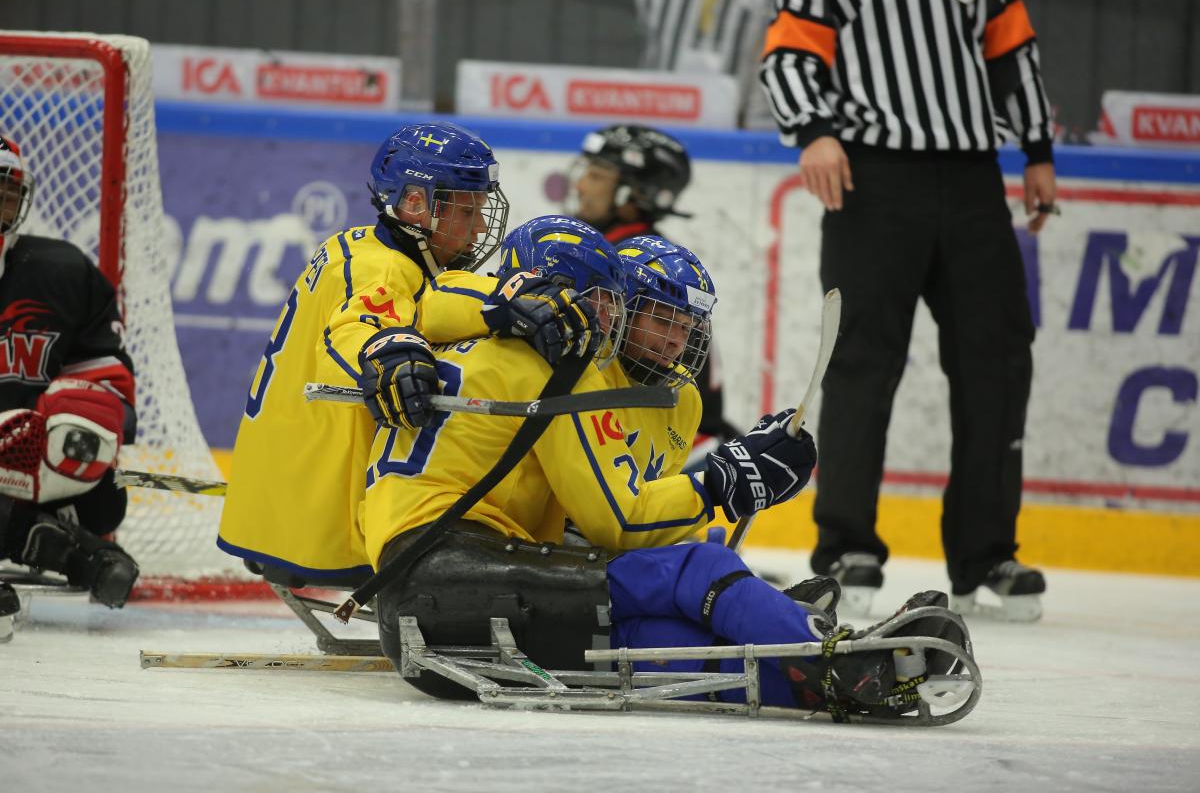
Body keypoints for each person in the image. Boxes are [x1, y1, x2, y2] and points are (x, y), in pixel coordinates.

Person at [363, 216, 963, 718]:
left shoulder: (474, 330)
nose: (606, 318)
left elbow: (610, 527)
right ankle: (829, 649)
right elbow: (620, 522)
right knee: (699, 566)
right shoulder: (547, 365)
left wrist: (739, 575)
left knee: (648, 642)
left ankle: (842, 682)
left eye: (612, 302)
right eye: (597, 300)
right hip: (452, 571)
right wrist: (725, 483)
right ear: (551, 294)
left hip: (419, 605)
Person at [759, 0, 1055, 620]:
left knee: (998, 364)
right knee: (862, 364)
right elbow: (788, 55)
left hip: (974, 177)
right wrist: (814, 131)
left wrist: (1037, 150)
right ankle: (846, 546)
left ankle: (988, 553)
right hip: (871, 175)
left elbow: (1011, 52)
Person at [218, 123, 599, 584]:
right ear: (415, 204)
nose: (479, 228)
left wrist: (501, 301)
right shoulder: (384, 268)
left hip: (276, 502)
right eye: (465, 211)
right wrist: (387, 353)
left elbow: (429, 304)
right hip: (321, 524)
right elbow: (355, 332)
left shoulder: (357, 246)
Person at [0, 135, 140, 608]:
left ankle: (51, 537)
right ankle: (63, 549)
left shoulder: (61, 273)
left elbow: (113, 397)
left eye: (6, 194)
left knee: (105, 499)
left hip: (35, 469)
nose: (0, 204)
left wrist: (78, 420)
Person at [568, 124, 740, 446]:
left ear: (633, 193)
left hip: (664, 440)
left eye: (596, 176)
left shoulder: (637, 271)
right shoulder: (643, 259)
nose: (579, 185)